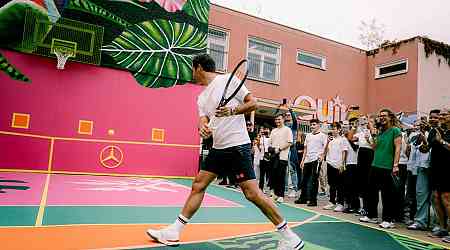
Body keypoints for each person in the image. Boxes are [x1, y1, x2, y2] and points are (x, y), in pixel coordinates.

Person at [146, 54, 304, 250]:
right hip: (219, 148)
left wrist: (232, 111)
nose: (191, 72)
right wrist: (202, 127)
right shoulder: (201, 97)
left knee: (252, 194)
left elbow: (253, 103)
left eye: (192, 68)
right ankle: (174, 231)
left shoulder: (228, 80)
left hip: (237, 145)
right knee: (198, 185)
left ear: (199, 68)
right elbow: (203, 118)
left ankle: (289, 237)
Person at [360, 109, 402, 229]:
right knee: (371, 192)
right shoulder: (381, 131)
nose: (381, 117)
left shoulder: (395, 130)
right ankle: (372, 216)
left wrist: (395, 165)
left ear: (390, 117)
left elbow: (398, 148)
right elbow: (375, 147)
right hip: (375, 165)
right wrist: (369, 139)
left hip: (387, 167)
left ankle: (388, 220)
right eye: (380, 116)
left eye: (384, 116)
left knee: (387, 195)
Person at [295, 119, 328, 206]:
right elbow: (305, 148)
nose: (312, 126)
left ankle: (313, 200)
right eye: (311, 125)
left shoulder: (323, 136)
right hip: (307, 160)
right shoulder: (308, 135)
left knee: (314, 180)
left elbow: (326, 147)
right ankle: (303, 198)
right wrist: (302, 160)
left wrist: (322, 156)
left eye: (314, 124)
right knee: (304, 180)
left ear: (318, 125)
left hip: (316, 159)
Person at [269, 114, 294, 203]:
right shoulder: (273, 130)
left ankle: (281, 195)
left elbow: (290, 142)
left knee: (281, 176)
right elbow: (270, 143)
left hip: (282, 156)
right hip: (273, 156)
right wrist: (272, 150)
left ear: (283, 120)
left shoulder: (287, 130)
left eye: (279, 119)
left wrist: (279, 149)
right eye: (276, 119)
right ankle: (274, 193)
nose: (277, 121)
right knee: (273, 176)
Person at [322, 122, 346, 212]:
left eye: (335, 128)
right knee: (331, 184)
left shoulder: (343, 140)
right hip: (330, 163)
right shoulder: (330, 139)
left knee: (340, 185)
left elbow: (344, 152)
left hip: (338, 164)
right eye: (332, 128)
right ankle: (332, 201)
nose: (333, 130)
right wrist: (328, 142)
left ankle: (340, 203)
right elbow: (325, 150)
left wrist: (342, 164)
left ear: (339, 130)